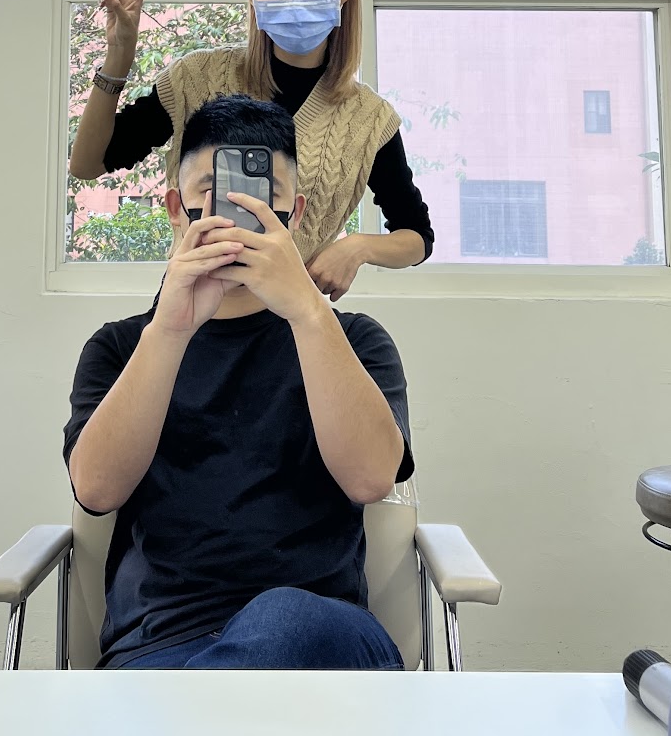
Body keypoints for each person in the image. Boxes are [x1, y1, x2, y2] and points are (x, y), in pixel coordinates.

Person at [64, 95, 415, 670]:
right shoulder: (120, 347)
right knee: (228, 665)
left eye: (259, 198)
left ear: (293, 215)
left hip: (321, 638)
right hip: (162, 642)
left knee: (283, 616)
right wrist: (170, 329)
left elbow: (371, 478)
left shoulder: (354, 339)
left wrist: (307, 310)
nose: (236, 214)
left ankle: (196, 703)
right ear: (176, 208)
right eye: (215, 193)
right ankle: (207, 700)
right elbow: (97, 492)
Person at [68, 0, 433, 301]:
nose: (294, 1)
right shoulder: (197, 79)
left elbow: (416, 235)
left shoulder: (368, 118)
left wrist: (357, 248)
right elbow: (88, 164)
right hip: (185, 312)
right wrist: (119, 55)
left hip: (291, 319)